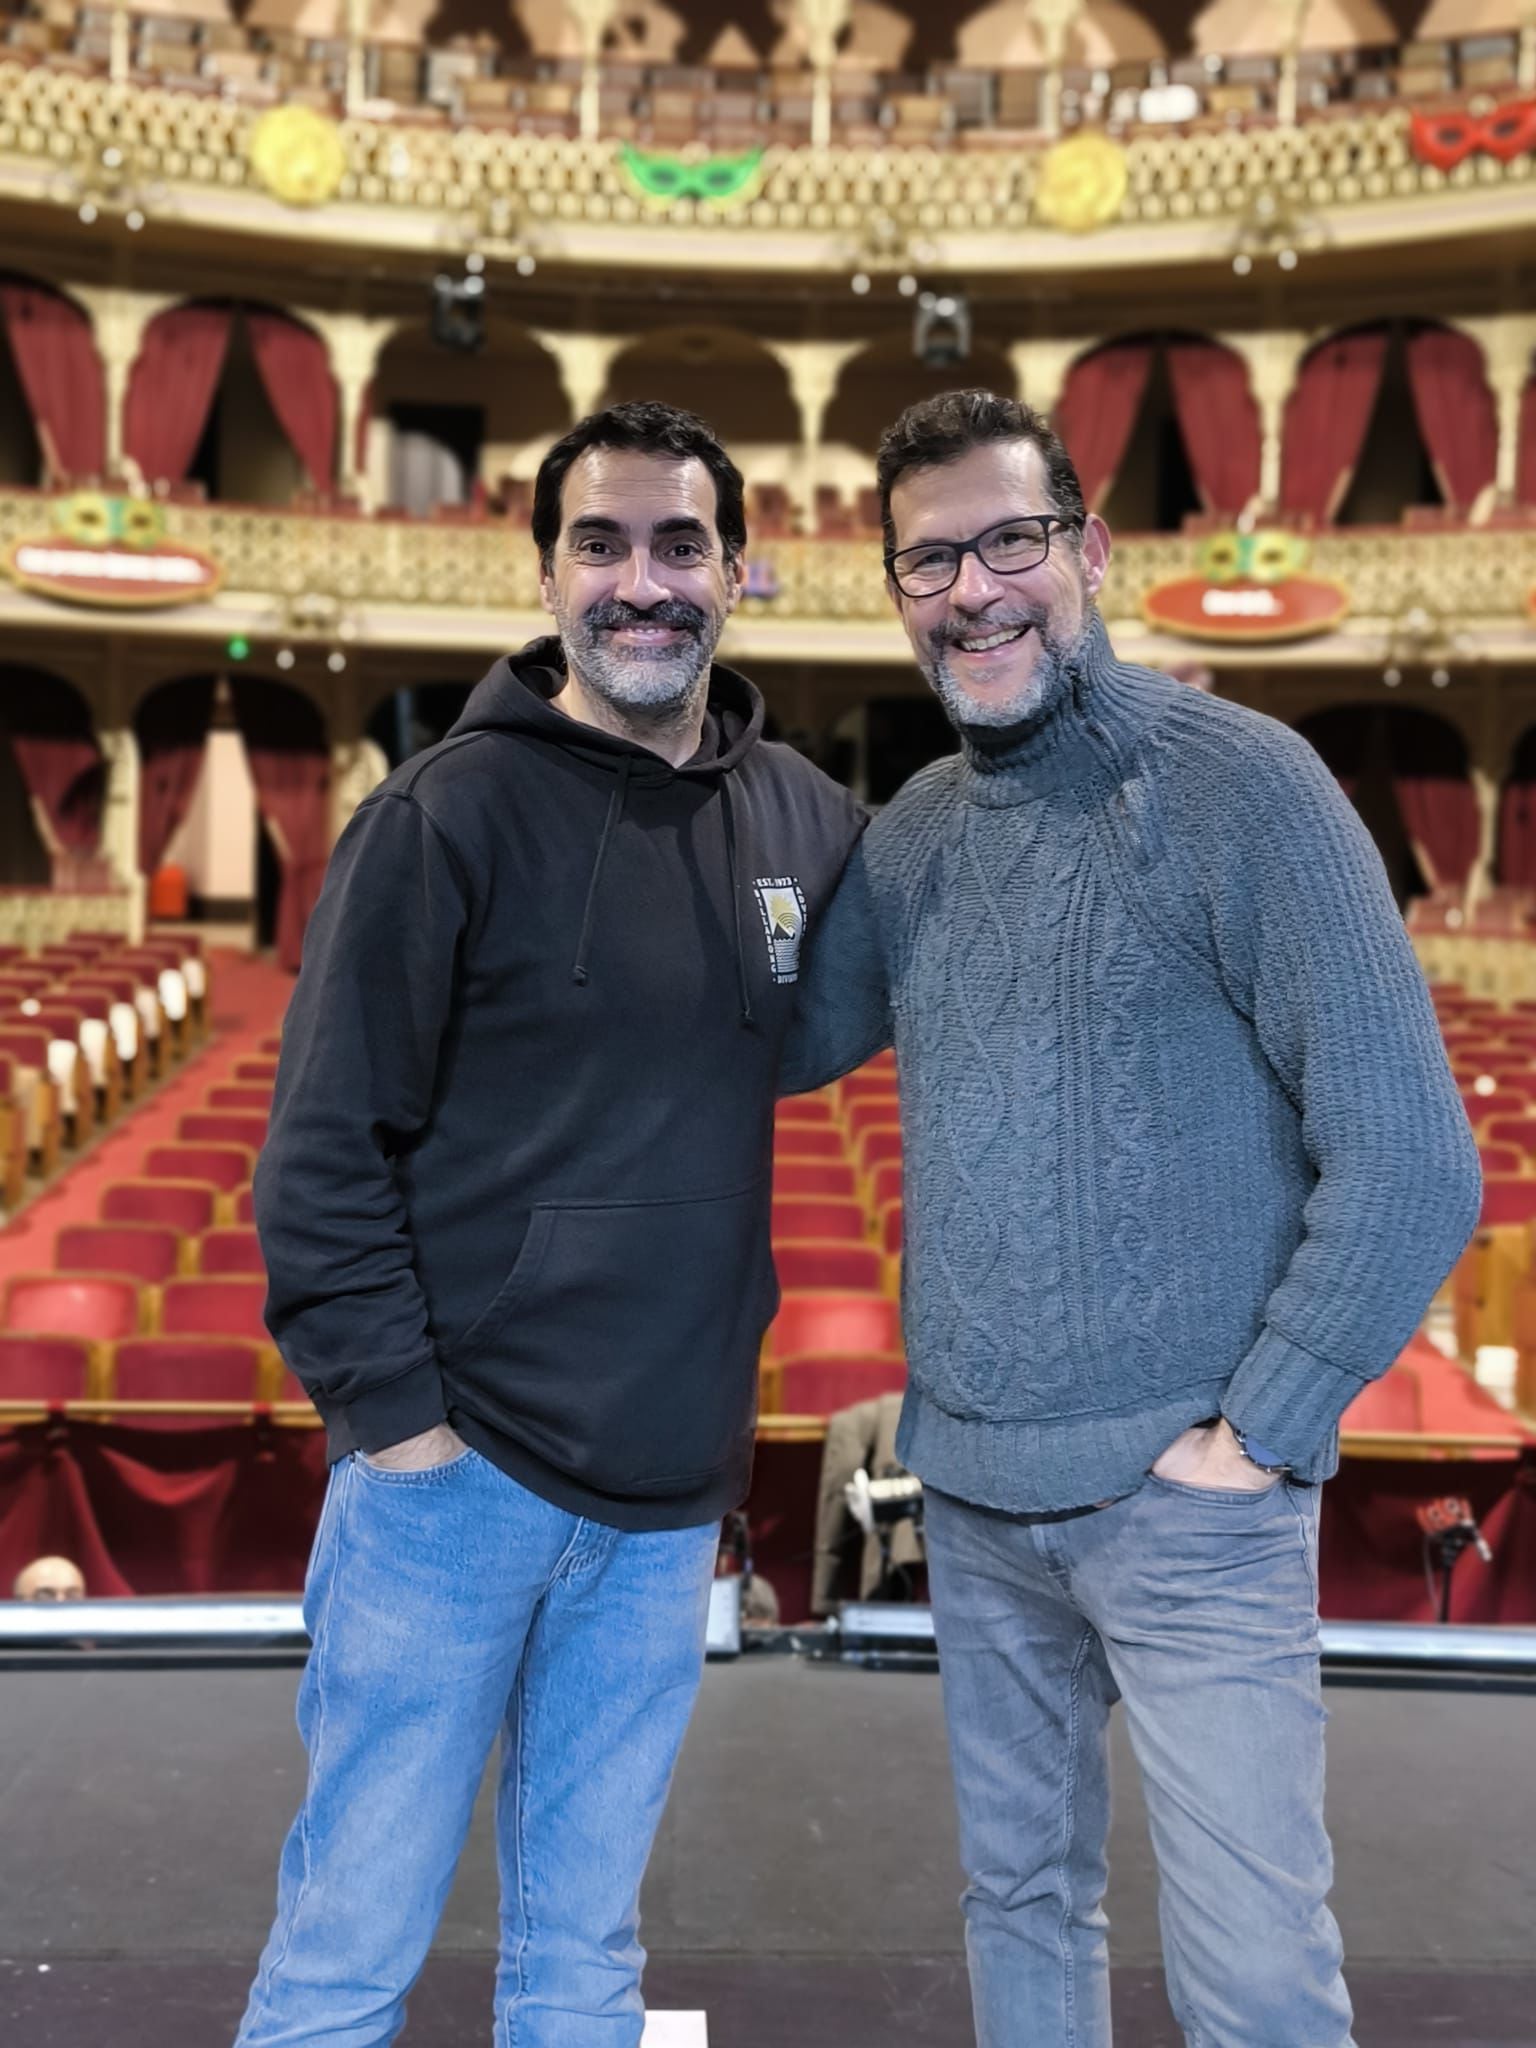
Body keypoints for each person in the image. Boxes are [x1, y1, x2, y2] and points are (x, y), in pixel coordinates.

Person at [784, 388, 1481, 2047]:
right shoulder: (916, 838)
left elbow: (1412, 1159)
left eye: (1011, 541)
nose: (975, 591)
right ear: (896, 591)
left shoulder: (1249, 787)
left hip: (1193, 1503)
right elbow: (773, 1032)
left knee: (1254, 1975)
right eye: (930, 560)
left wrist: (1260, 1433)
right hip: (975, 1492)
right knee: (1022, 1913)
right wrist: (709, 799)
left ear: (1090, 549)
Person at [238, 400, 863, 2048]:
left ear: (741, 571)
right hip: (455, 1485)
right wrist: (403, 1432)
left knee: (584, 1961)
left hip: (663, 1501)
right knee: (348, 1946)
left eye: (681, 545)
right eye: (602, 543)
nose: (641, 582)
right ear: (545, 574)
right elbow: (319, 1160)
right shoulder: (440, 816)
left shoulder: (802, 816)